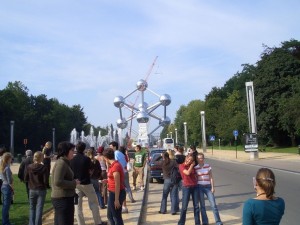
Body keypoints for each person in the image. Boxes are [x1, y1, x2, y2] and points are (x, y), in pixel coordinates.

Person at [71, 141, 106, 225]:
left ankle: (80, 223)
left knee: (77, 206)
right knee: (94, 203)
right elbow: (90, 170)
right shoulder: (86, 159)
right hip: (86, 183)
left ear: (76, 148)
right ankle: (97, 222)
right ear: (84, 149)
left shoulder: (72, 159)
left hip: (76, 184)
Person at [51, 141, 79, 225]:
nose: (73, 152)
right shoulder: (61, 163)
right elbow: (58, 181)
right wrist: (74, 183)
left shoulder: (64, 162)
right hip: (62, 198)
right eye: (72, 150)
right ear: (66, 151)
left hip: (65, 197)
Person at [195, 153, 223, 225]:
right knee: (202, 206)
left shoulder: (208, 166)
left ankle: (218, 221)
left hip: (208, 186)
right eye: (199, 158)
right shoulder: (196, 168)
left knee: (213, 205)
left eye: (202, 158)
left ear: (203, 158)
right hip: (199, 187)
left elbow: (211, 177)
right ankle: (205, 222)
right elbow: (195, 179)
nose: (200, 159)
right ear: (197, 159)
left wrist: (213, 187)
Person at [103, 147, 126, 225]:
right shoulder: (112, 165)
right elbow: (114, 180)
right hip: (113, 192)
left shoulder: (115, 166)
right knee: (110, 215)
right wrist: (107, 181)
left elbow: (117, 184)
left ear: (106, 157)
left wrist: (116, 200)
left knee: (116, 216)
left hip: (117, 193)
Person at [24, 151, 48, 225]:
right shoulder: (44, 167)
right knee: (39, 209)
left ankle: (31, 223)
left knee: (32, 208)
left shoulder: (29, 167)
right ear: (41, 158)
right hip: (41, 189)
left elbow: (25, 178)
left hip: (32, 189)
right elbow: (45, 181)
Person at [178, 154, 200, 225]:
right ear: (186, 158)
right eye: (188, 159)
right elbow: (187, 173)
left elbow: (196, 175)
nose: (189, 161)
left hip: (195, 187)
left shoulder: (193, 166)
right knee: (184, 207)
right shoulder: (181, 166)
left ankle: (197, 223)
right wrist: (191, 165)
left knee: (196, 206)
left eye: (191, 160)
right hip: (186, 187)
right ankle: (181, 223)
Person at [159, 150, 179, 215]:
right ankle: (173, 210)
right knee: (173, 196)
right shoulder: (173, 162)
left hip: (166, 180)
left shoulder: (162, 162)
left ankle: (163, 210)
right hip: (174, 180)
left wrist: (160, 156)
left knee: (164, 196)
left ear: (163, 157)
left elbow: (154, 162)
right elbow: (178, 167)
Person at [119, 146, 135, 213]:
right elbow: (127, 161)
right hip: (125, 172)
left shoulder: (119, 156)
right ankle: (131, 198)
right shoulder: (125, 156)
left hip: (121, 172)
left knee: (122, 187)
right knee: (127, 186)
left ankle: (122, 202)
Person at [0, 152, 14, 225]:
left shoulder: (2, 166)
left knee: (5, 206)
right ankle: (5, 222)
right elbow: (9, 181)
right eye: (11, 158)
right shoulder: (7, 168)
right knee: (6, 206)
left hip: (3, 186)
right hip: (7, 187)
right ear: (8, 159)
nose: (12, 159)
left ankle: (6, 222)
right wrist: (13, 189)